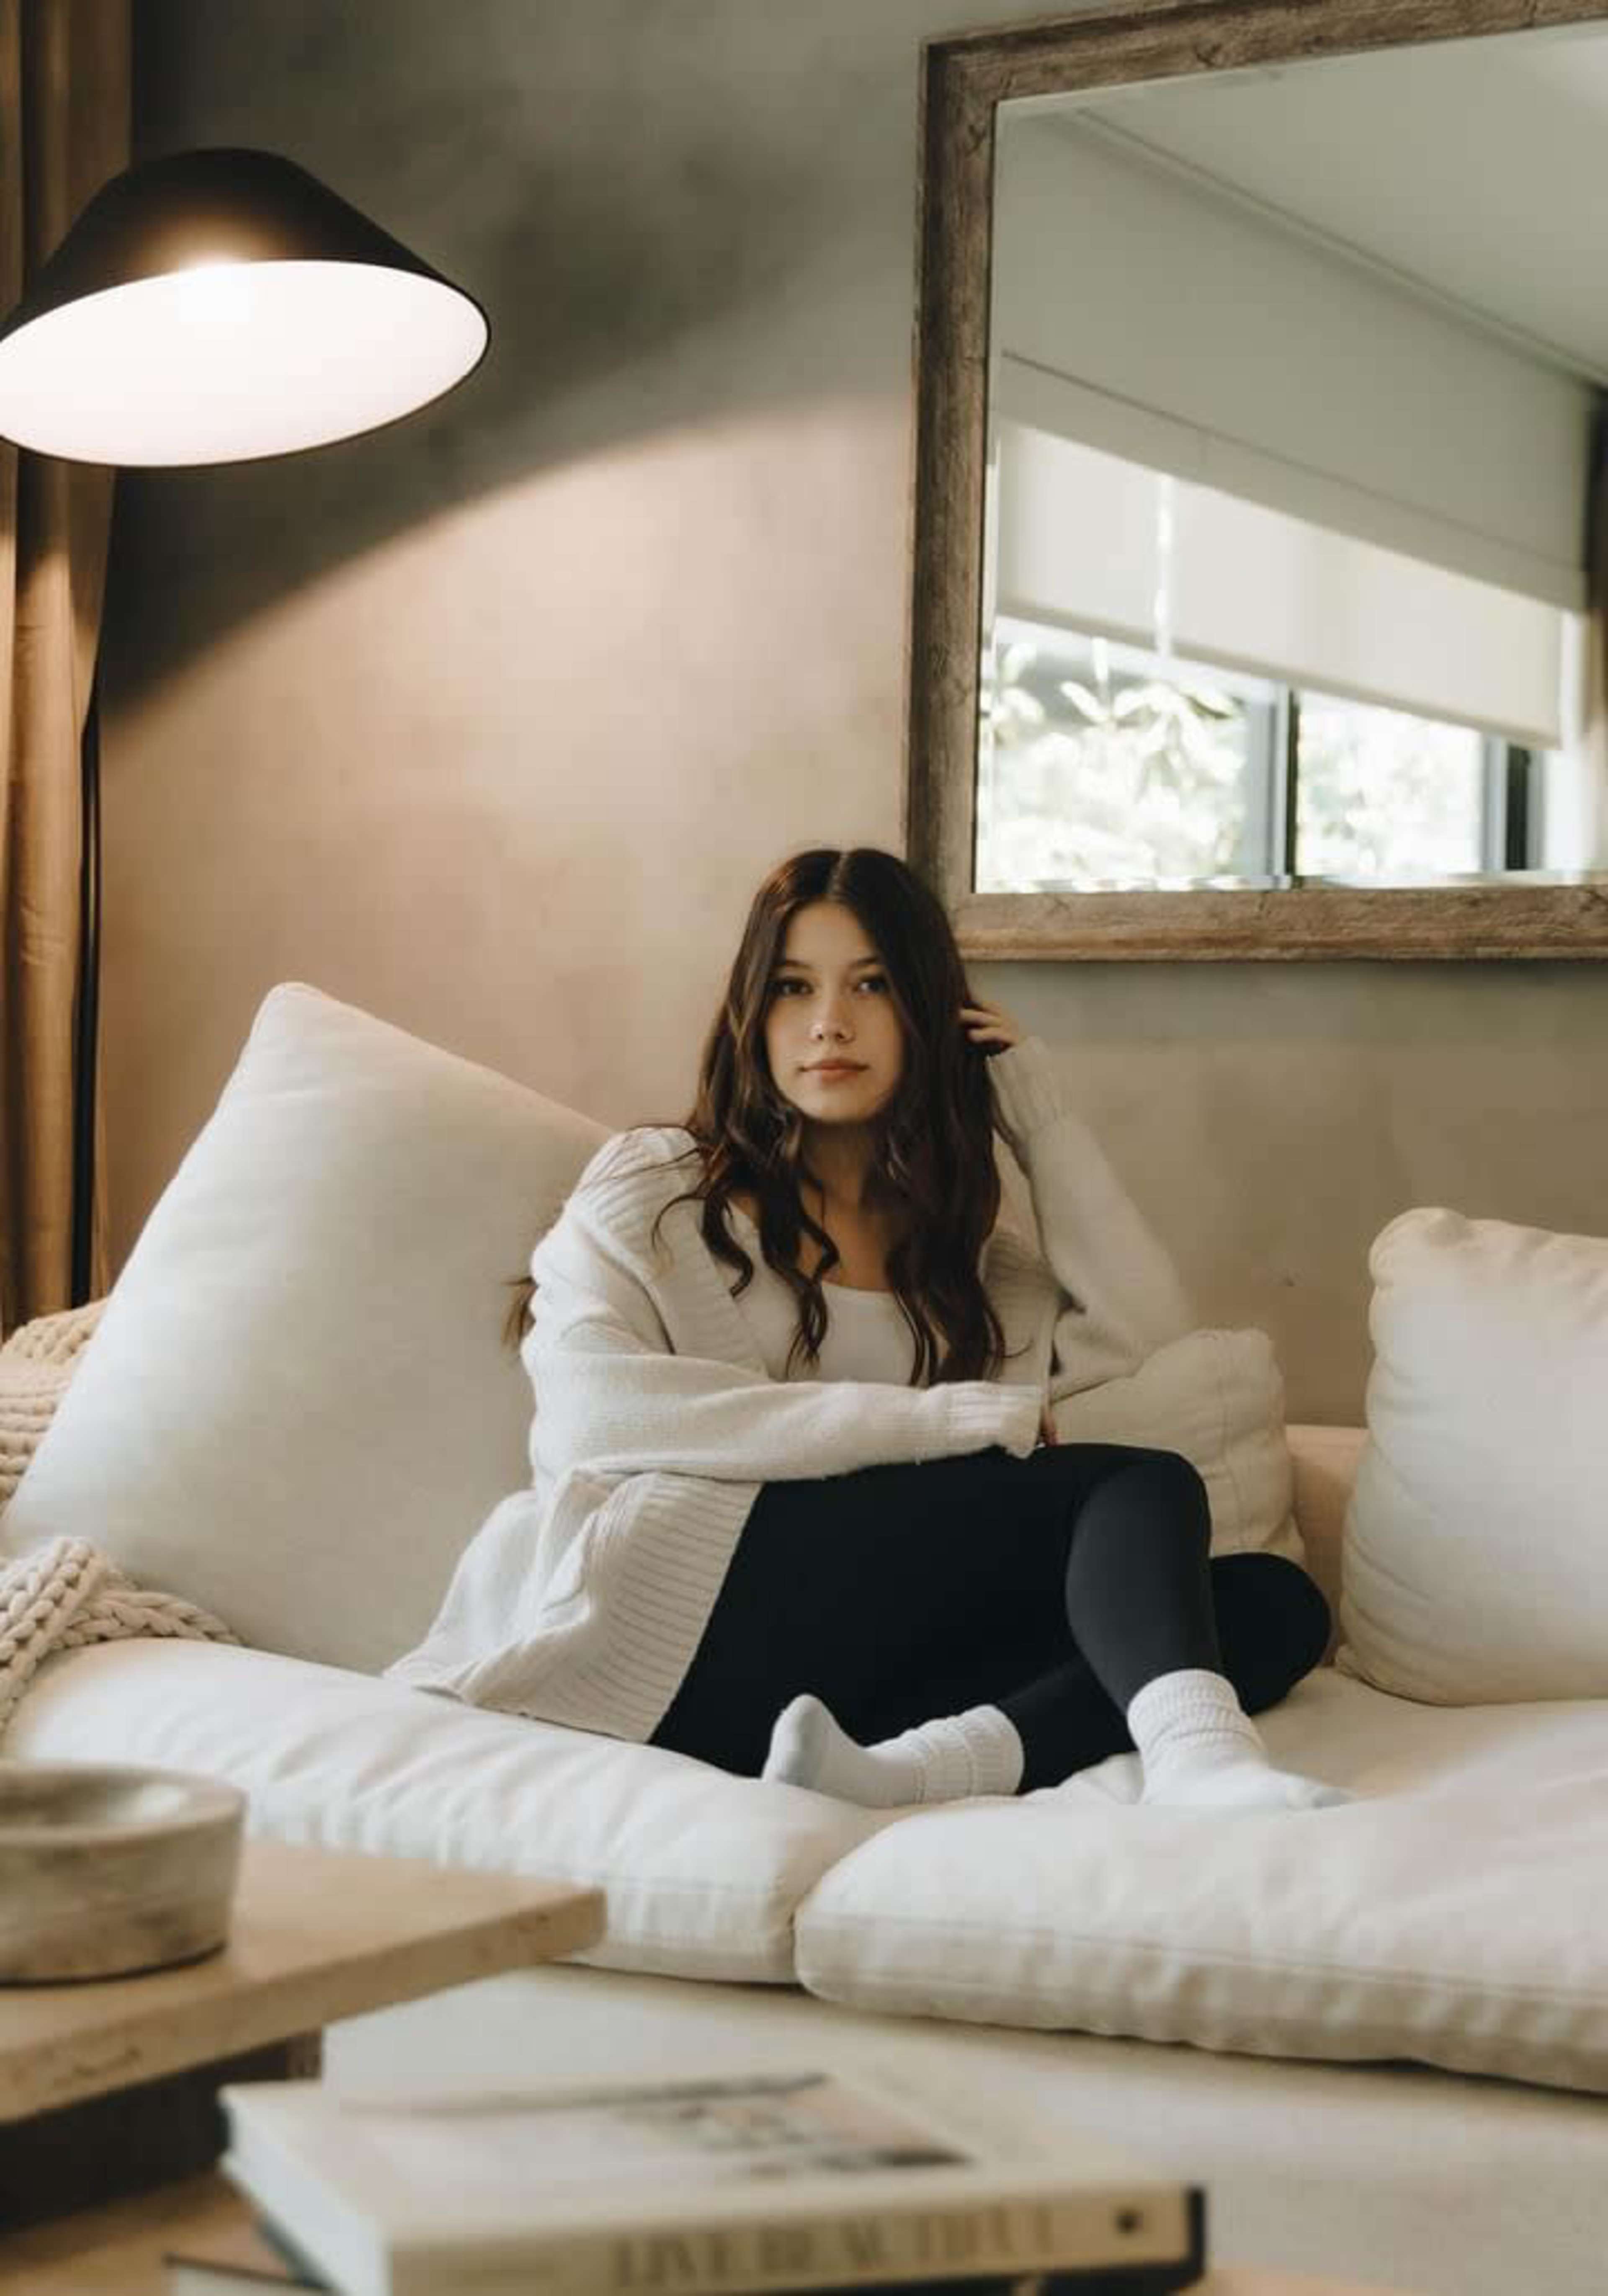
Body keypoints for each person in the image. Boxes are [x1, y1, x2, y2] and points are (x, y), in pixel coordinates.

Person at [389, 846, 1347, 1814]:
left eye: (873, 985)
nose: (829, 1023)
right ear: (753, 1015)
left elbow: (1145, 1347)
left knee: (1268, 1603)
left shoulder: (978, 1271)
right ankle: (1198, 1761)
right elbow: (591, 1423)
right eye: (793, 988)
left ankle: (905, 1771)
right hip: (665, 1628)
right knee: (1144, 1484)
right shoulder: (659, 1189)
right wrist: (942, 1424)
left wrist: (1041, 1122)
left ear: (928, 1013)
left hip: (849, 1678)